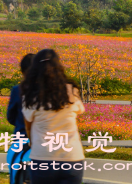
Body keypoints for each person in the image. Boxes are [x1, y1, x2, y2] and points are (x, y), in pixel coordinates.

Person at [21, 49, 85, 184]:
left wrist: (33, 143)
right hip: (72, 157)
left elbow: (28, 126)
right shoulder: (71, 90)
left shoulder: (31, 94)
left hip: (43, 157)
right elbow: (79, 111)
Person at [8, 53, 34, 136]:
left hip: (21, 135)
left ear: (22, 71)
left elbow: (11, 117)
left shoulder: (17, 90)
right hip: (42, 139)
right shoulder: (48, 90)